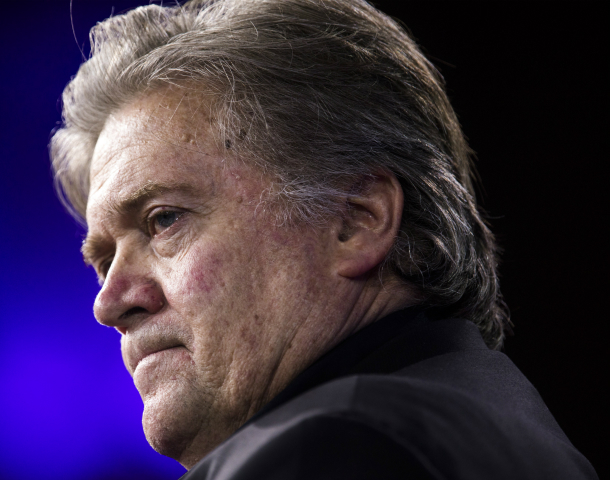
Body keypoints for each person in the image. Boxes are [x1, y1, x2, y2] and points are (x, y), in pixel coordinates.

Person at [49, 0, 598, 478]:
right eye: (102, 261)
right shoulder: (483, 419)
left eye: (164, 220)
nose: (109, 302)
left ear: (356, 220)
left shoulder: (336, 447)